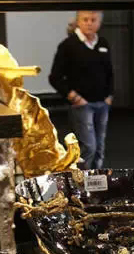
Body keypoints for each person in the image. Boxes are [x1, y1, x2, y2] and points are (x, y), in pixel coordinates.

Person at [49, 11, 114, 169]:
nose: (89, 23)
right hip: (82, 105)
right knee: (88, 147)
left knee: (99, 148)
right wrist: (73, 96)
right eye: (85, 20)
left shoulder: (103, 43)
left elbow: (109, 72)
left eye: (93, 20)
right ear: (78, 21)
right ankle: (82, 179)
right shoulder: (68, 45)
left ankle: (97, 179)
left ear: (99, 23)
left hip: (102, 103)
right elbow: (55, 77)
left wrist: (110, 95)